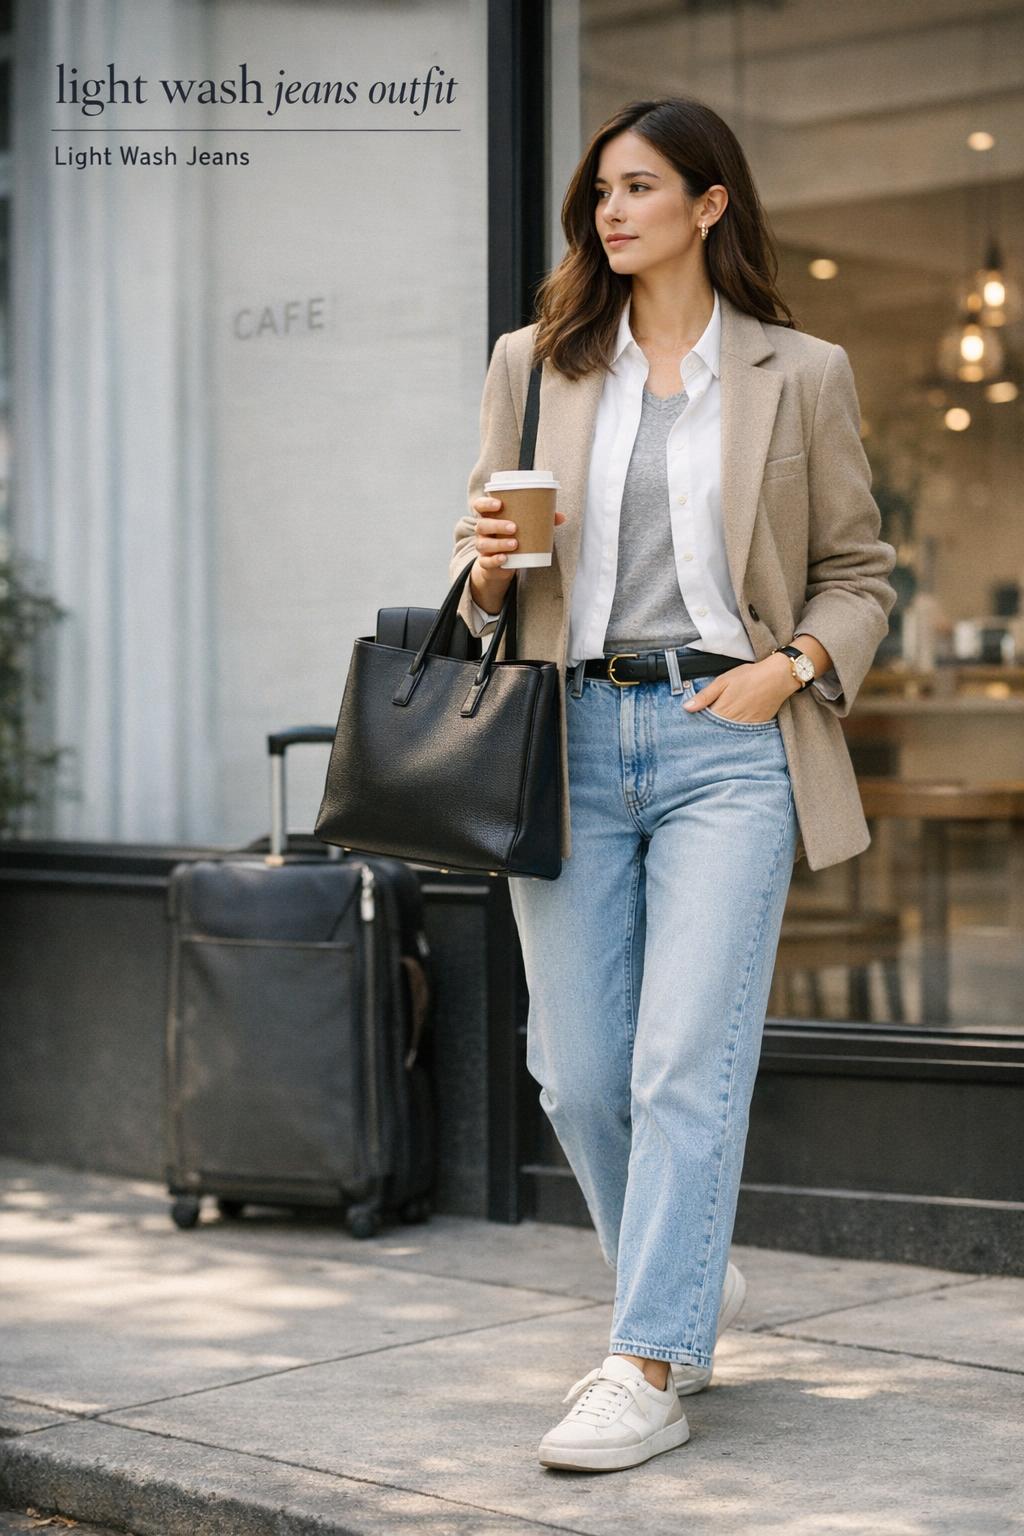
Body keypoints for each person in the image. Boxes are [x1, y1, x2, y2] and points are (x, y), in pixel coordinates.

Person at [448, 96, 897, 1474]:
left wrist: (795, 664)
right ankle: (691, 1269)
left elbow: (862, 573)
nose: (610, 210)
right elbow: (486, 597)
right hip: (570, 739)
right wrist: (482, 569)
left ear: (709, 204)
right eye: (599, 193)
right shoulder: (536, 362)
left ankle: (645, 1366)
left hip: (724, 739)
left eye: (639, 187)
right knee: (577, 1077)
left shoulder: (797, 370)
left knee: (681, 1064)